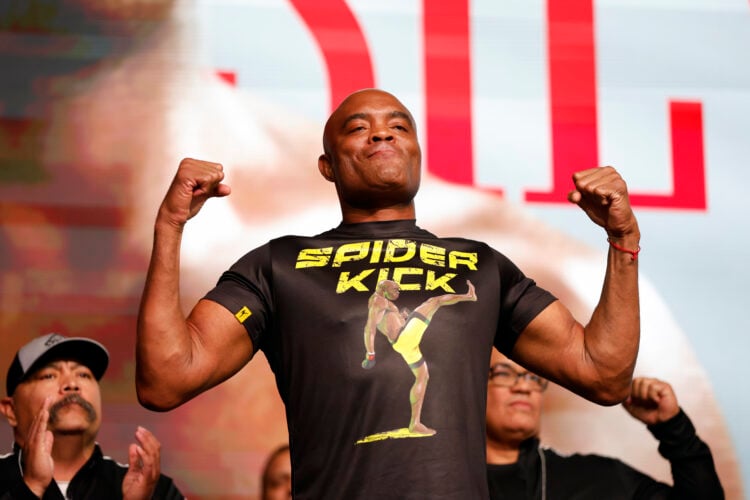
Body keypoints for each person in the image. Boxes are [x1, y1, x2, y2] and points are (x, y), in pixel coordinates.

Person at [135, 87, 643, 498]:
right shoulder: (280, 264)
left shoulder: (481, 263)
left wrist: (622, 242)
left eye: (399, 126)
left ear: (418, 153)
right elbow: (165, 380)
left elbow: (603, 372)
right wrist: (170, 225)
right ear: (327, 165)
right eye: (358, 127)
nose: (381, 132)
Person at [485, 348, 724, 499]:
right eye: (504, 373)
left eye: (533, 378)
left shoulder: (593, 478)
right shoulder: (447, 476)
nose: (524, 387)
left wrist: (674, 429)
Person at [0, 333, 184, 500]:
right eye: (49, 375)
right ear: (11, 410)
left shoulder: (155, 489)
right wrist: (31, 489)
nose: (72, 384)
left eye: (83, 375)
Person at [361, 279, 477, 437]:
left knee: (422, 376)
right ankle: (469, 296)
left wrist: (402, 318)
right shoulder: (377, 300)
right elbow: (370, 328)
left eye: (398, 289)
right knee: (434, 301)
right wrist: (370, 354)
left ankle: (414, 424)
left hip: (404, 343)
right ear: (382, 287)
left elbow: (387, 325)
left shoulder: (384, 302)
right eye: (394, 289)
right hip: (404, 338)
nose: (398, 291)